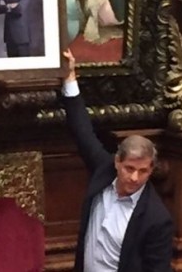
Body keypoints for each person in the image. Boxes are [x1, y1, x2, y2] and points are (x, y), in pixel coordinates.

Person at [60, 49, 173, 272]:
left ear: (151, 170)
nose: (134, 177)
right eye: (129, 168)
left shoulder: (157, 218)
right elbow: (83, 133)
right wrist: (69, 78)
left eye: (143, 171)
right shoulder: (103, 172)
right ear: (117, 162)